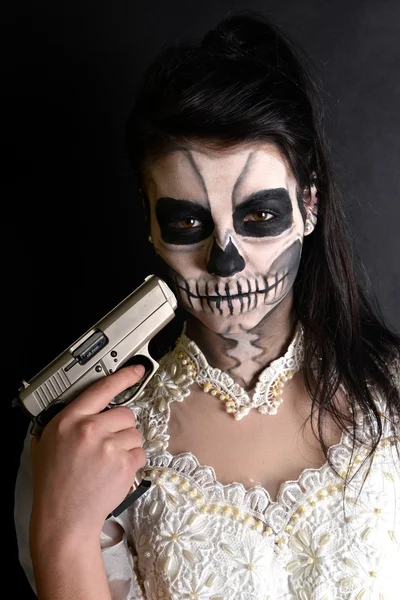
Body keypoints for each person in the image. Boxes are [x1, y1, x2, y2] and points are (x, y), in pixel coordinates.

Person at [14, 9, 400, 600]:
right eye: (189, 221)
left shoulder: (393, 395)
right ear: (150, 221)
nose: (226, 260)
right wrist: (63, 533)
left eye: (259, 216)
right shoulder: (85, 443)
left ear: (310, 207)